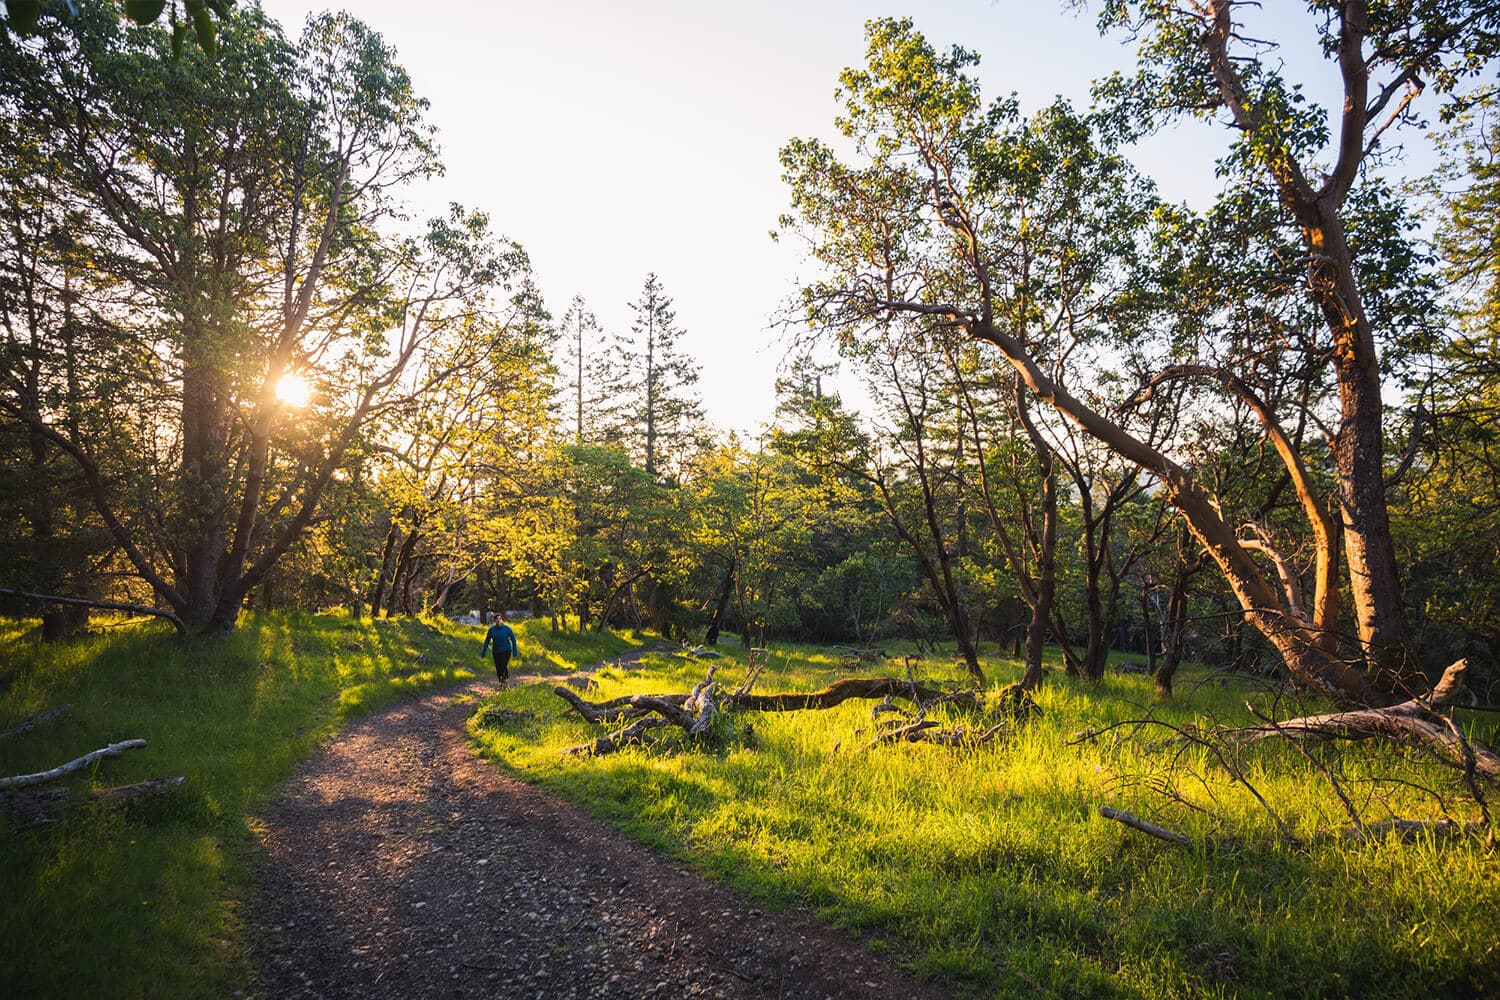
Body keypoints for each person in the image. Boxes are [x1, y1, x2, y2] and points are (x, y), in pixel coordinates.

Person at [480, 613, 520, 684]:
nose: (498, 620)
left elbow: (513, 640)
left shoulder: (507, 629)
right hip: (496, 651)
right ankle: (501, 681)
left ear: (502, 620)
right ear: (494, 621)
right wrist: (483, 651)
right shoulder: (492, 630)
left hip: (506, 650)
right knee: (498, 667)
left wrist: (515, 651)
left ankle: (505, 680)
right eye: (497, 619)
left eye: (500, 619)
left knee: (503, 665)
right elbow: (487, 641)